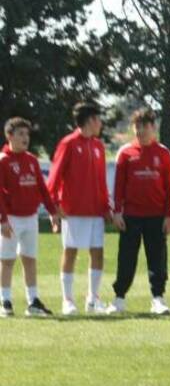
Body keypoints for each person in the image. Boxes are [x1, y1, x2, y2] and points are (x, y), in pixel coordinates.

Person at [46, 102, 111, 316]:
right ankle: (68, 300)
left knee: (98, 253)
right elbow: (54, 177)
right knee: (71, 252)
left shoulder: (98, 146)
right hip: (72, 210)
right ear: (91, 120)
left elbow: (101, 181)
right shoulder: (68, 143)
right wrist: (54, 206)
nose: (100, 123)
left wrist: (106, 208)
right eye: (98, 119)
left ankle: (93, 299)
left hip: (96, 211)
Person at [108, 108, 170, 315]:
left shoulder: (163, 153)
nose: (141, 131)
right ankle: (119, 298)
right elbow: (118, 185)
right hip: (131, 216)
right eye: (137, 127)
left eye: (145, 126)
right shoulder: (125, 152)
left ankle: (158, 298)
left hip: (156, 216)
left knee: (157, 258)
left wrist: (169, 216)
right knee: (126, 258)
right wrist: (117, 212)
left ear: (153, 128)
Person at [0, 118, 59, 316]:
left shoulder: (32, 160)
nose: (25, 138)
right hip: (11, 219)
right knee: (7, 260)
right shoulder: (3, 160)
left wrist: (52, 212)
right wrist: (3, 220)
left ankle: (33, 301)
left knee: (29, 259)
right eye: (20, 134)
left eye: (27, 134)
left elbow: (42, 189)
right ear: (9, 136)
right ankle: (5, 301)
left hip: (30, 217)